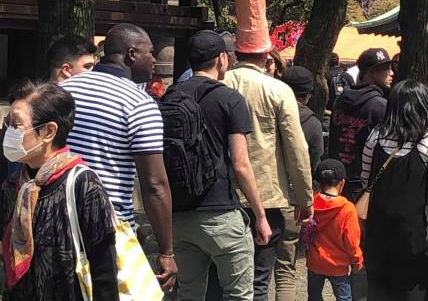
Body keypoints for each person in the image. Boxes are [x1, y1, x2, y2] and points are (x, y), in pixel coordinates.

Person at [62, 23, 177, 291]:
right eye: (151, 52)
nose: (155, 60)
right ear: (132, 54)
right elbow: (154, 185)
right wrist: (167, 252)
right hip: (107, 228)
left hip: (59, 219)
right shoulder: (139, 104)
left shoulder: (65, 90)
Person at [171, 30, 272, 301]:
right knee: (238, 295)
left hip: (179, 213)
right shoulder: (229, 99)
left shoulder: (170, 96)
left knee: (188, 294)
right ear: (221, 59)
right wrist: (260, 215)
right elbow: (240, 165)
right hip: (221, 213)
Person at [0, 81, 118, 301]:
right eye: (7, 124)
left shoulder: (82, 184)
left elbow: (104, 269)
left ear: (48, 131)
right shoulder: (13, 185)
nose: (9, 133)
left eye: (16, 125)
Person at [225, 52, 314, 301]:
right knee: (260, 279)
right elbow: (297, 149)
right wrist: (304, 198)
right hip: (267, 194)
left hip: (222, 194)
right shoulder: (278, 90)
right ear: (266, 57)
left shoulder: (219, 83)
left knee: (224, 277)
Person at [362, 79, 428, 300]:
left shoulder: (376, 136)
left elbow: (365, 179)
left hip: (377, 226)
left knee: (378, 288)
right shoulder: (426, 141)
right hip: (414, 234)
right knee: (410, 292)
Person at [273, 66, 324, 301]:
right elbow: (313, 164)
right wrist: (306, 199)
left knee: (257, 269)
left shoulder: (268, 113)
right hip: (293, 200)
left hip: (264, 194)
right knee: (285, 270)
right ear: (307, 94)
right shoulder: (312, 124)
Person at [329, 48, 392, 202]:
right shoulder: (381, 106)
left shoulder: (341, 100)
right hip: (364, 184)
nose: (391, 73)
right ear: (370, 72)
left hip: (335, 179)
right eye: (385, 68)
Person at [307, 159, 363, 301]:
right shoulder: (347, 208)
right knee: (344, 298)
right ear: (342, 183)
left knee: (314, 297)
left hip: (315, 261)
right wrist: (357, 262)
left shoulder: (311, 203)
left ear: (319, 183)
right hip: (338, 265)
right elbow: (352, 241)